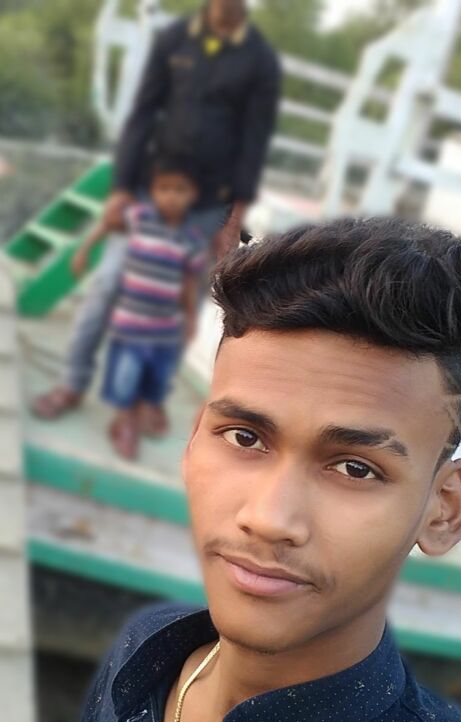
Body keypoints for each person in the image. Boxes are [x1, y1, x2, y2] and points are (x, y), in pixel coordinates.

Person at [52, 217, 461, 722]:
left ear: (443, 511)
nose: (270, 518)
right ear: (194, 439)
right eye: (245, 437)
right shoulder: (144, 655)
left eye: (355, 468)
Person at [32, 0, 280, 420]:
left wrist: (233, 223)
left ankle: (149, 395)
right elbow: (142, 117)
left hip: (208, 207)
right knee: (107, 286)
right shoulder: (174, 40)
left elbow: (252, 146)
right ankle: (71, 383)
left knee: (180, 306)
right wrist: (120, 191)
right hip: (152, 191)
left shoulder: (260, 61)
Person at [72, 157, 206, 459]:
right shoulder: (139, 219)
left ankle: (134, 417)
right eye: (164, 189)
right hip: (130, 324)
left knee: (153, 380)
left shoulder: (192, 240)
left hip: (164, 330)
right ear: (153, 192)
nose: (171, 197)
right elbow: (108, 224)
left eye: (180, 190)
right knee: (125, 377)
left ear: (193, 195)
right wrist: (84, 249)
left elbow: (188, 282)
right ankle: (126, 422)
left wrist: (191, 317)